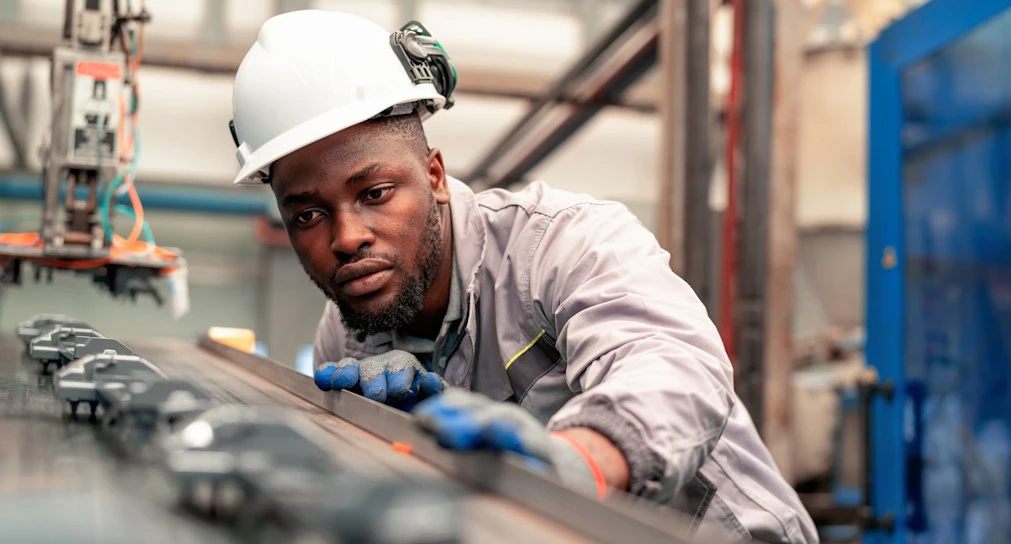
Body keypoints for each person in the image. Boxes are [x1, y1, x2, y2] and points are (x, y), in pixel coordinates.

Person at [229, 10, 817, 544]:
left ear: (434, 175)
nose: (346, 237)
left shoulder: (561, 242)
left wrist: (577, 461)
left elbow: (672, 364)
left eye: (375, 193)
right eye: (307, 213)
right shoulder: (348, 330)